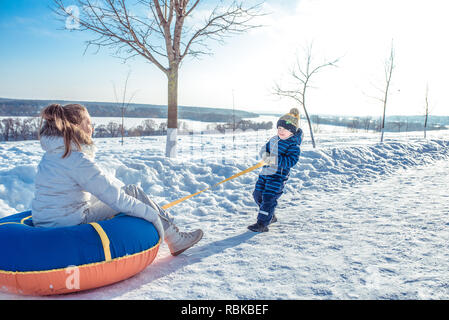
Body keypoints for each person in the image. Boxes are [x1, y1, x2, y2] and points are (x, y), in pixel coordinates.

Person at [31, 103, 203, 256]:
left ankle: (172, 231)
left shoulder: (52, 155)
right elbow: (116, 199)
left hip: (46, 219)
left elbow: (87, 188)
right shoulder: (77, 159)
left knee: (121, 191)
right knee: (132, 192)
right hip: (69, 222)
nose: (92, 128)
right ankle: (175, 238)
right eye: (88, 123)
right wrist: (150, 214)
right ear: (76, 126)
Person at [248, 108, 303, 232]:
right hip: (265, 173)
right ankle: (270, 215)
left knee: (268, 198)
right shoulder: (274, 139)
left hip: (277, 177)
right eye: (279, 128)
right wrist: (264, 155)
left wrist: (275, 160)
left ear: (292, 132)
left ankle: (262, 223)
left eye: (284, 129)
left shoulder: (293, 145)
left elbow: (291, 161)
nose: (281, 131)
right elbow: (264, 149)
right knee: (257, 195)